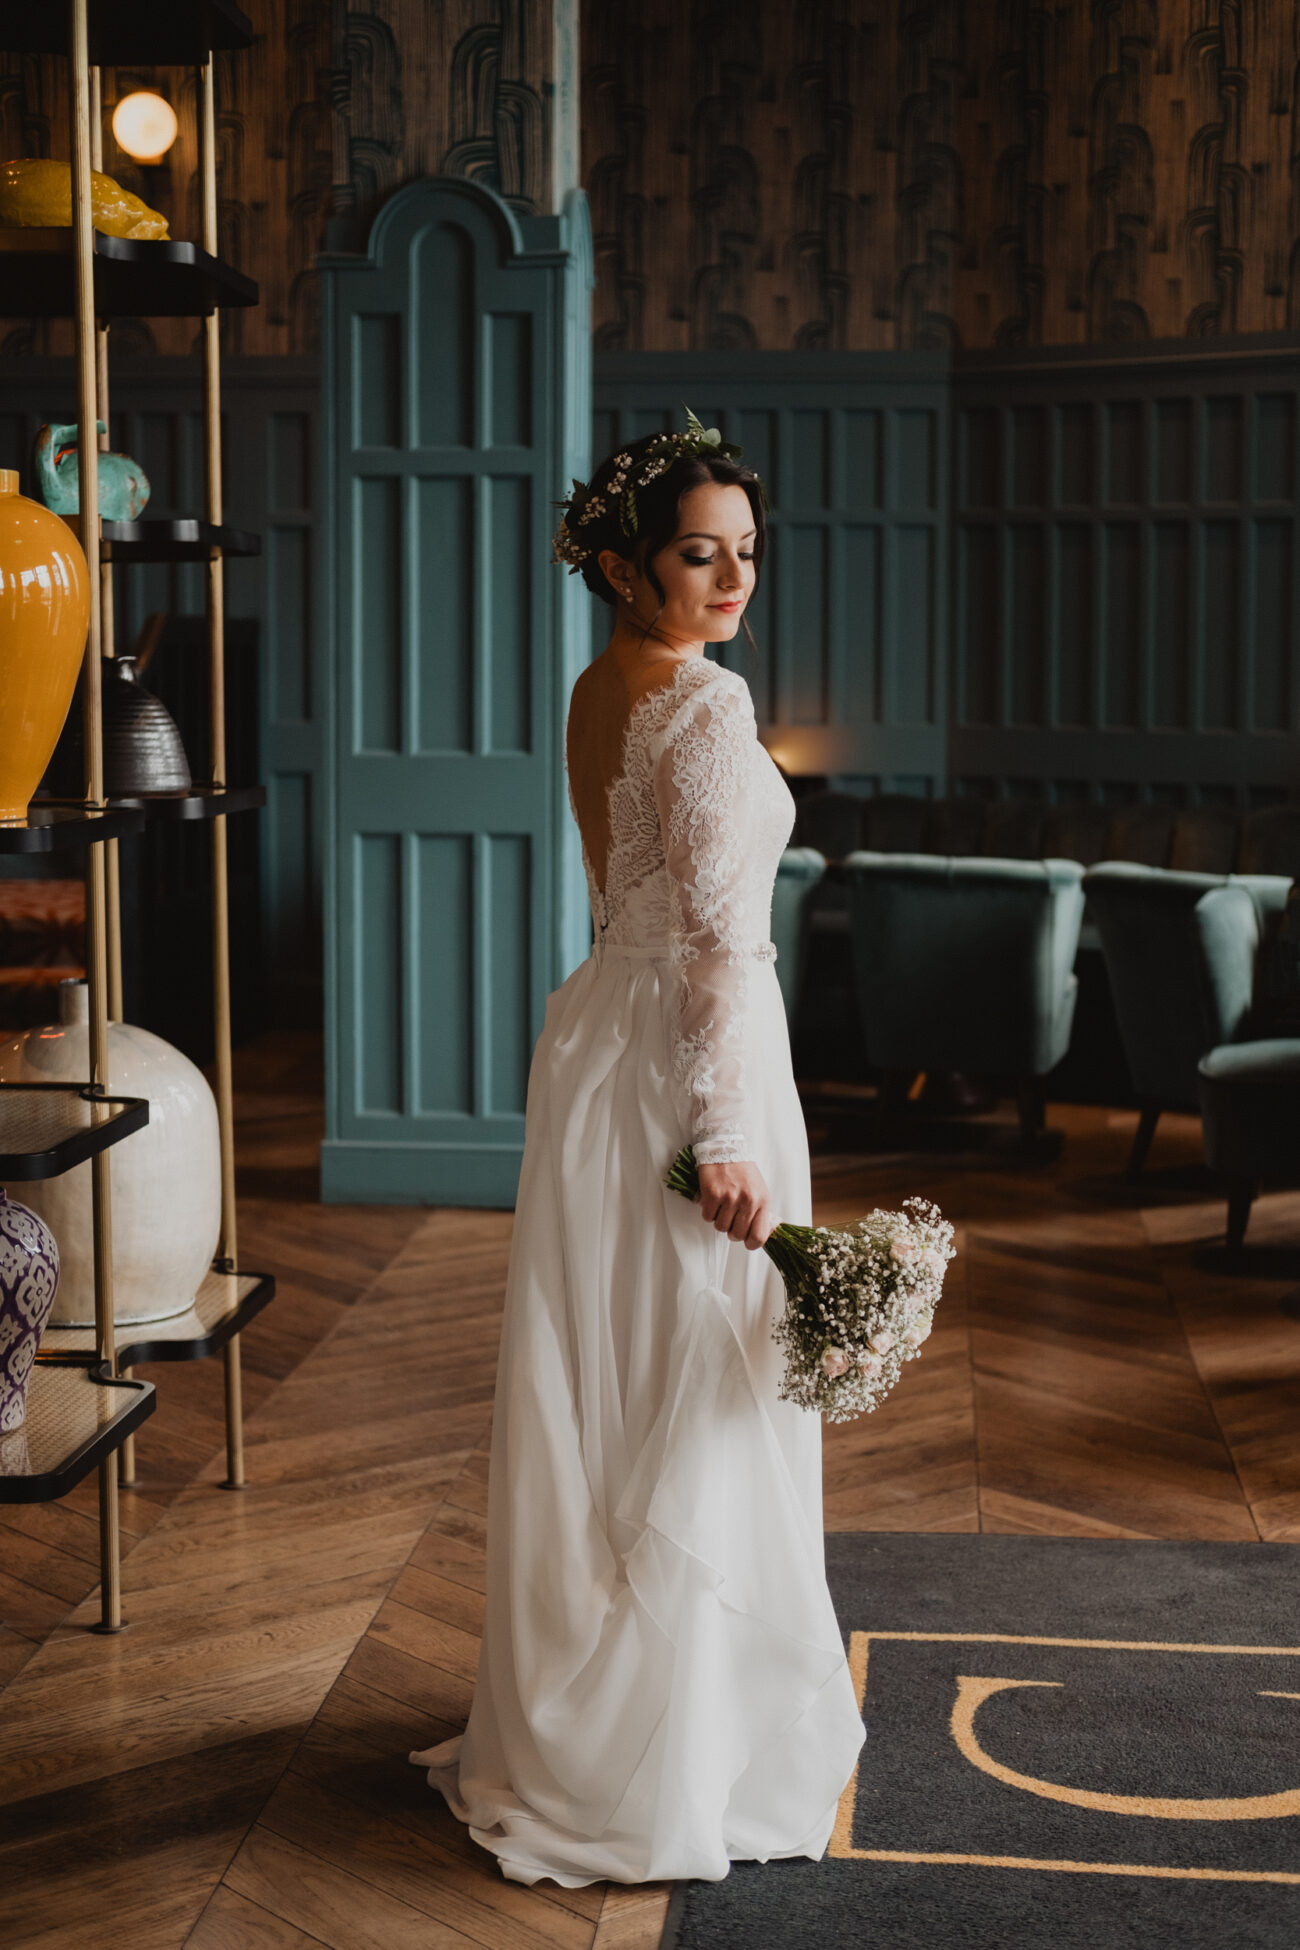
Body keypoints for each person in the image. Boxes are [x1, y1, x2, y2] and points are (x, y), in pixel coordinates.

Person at [411, 413, 864, 1887]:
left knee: (609, 1366)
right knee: (692, 1368)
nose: (733, 576)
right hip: (683, 1063)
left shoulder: (602, 685)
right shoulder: (706, 708)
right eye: (697, 554)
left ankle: (587, 1723)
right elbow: (726, 950)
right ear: (624, 565)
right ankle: (669, 1752)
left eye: (744, 550)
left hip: (598, 1040)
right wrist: (728, 1133)